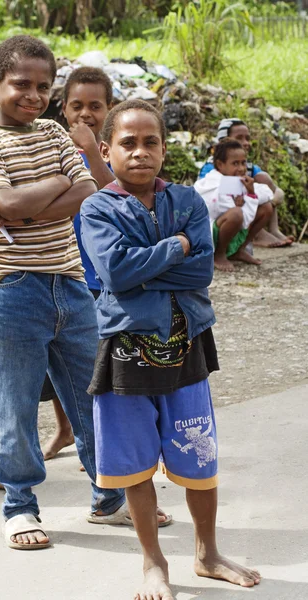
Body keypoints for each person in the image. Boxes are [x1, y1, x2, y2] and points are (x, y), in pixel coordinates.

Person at [0, 35, 138, 550]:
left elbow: (87, 191)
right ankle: (19, 505)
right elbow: (8, 204)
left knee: (93, 398)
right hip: (10, 288)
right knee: (16, 406)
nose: (33, 96)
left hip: (71, 284)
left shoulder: (57, 133)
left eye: (43, 86)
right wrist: (28, 201)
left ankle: (107, 496)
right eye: (21, 85)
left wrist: (26, 207)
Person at [81, 99, 261, 599]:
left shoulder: (185, 202)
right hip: (125, 352)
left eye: (151, 142)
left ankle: (207, 553)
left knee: (199, 456)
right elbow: (115, 272)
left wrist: (149, 266)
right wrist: (176, 247)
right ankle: (153, 562)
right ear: (105, 150)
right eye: (128, 143)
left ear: (164, 148)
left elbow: (201, 270)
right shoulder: (97, 207)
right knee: (134, 462)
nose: (140, 152)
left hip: (187, 346)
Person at [41, 66, 115, 463]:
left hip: (102, 276)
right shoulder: (48, 146)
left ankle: (112, 447)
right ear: (63, 108)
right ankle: (65, 428)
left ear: (109, 109)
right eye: (76, 106)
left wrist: (90, 151)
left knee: (100, 365)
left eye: (95, 106)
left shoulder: (116, 150)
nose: (85, 114)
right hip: (59, 268)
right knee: (58, 362)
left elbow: (115, 199)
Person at [199, 117, 291, 248]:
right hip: (220, 219)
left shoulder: (247, 166)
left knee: (263, 178)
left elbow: (271, 189)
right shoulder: (211, 168)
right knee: (240, 208)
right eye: (239, 138)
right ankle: (256, 235)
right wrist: (256, 196)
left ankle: (273, 230)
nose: (246, 142)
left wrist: (270, 198)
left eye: (247, 138)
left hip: (241, 212)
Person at [194, 137, 274, 272]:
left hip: (232, 224)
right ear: (220, 165)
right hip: (209, 231)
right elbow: (239, 216)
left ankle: (239, 250)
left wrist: (250, 194)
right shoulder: (213, 183)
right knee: (236, 214)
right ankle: (218, 254)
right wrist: (249, 199)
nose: (242, 168)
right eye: (235, 163)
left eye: (243, 163)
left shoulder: (236, 180)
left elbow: (267, 193)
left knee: (266, 208)